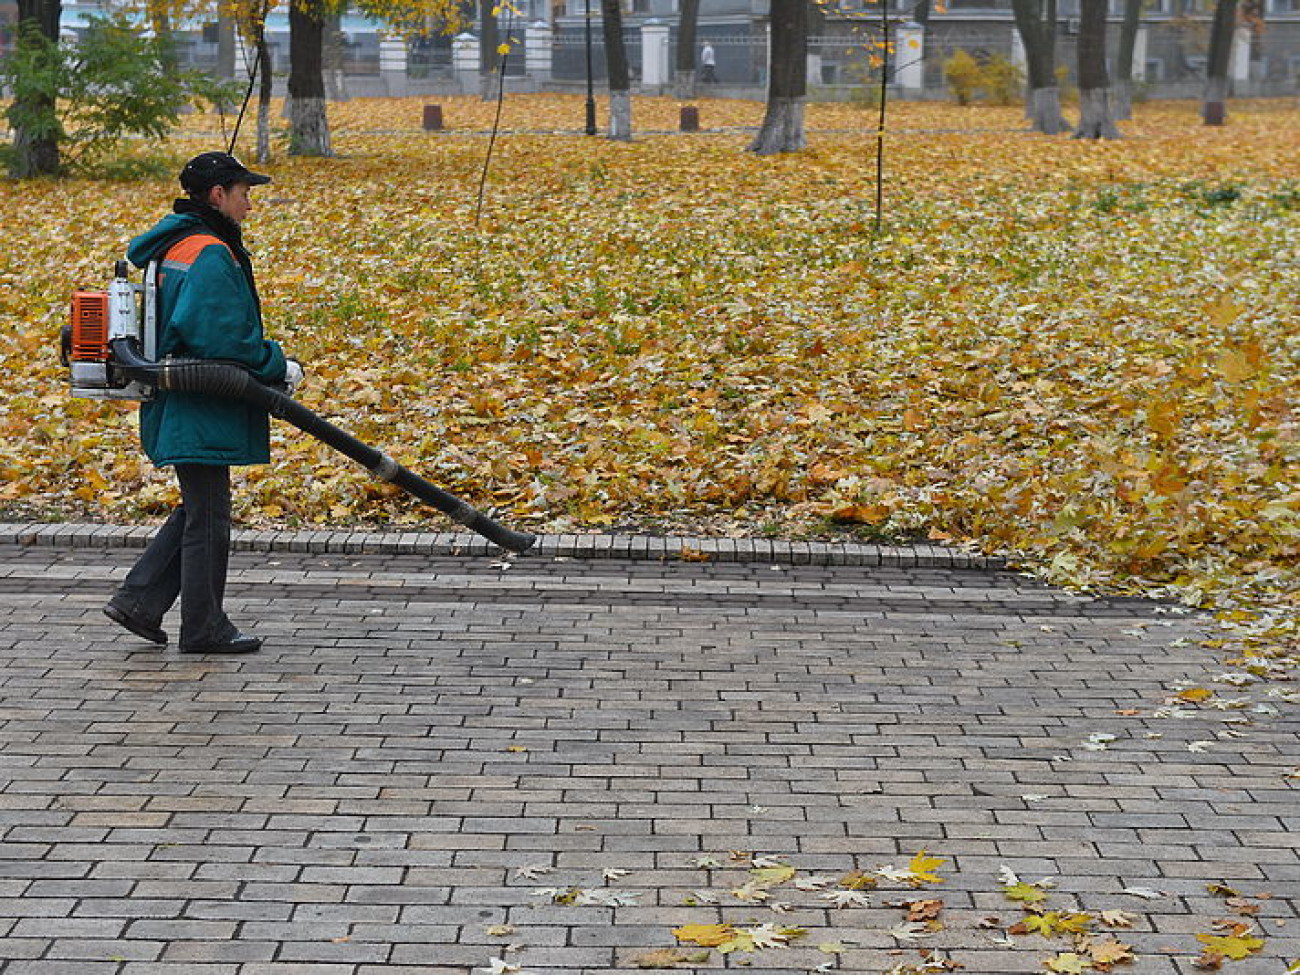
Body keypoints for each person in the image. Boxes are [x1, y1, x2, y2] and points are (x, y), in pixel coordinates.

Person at [103, 151, 290, 655]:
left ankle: (140, 600)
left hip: (181, 395)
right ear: (217, 195)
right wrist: (276, 363)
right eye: (243, 192)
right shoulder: (208, 250)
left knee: (200, 508)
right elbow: (222, 338)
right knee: (208, 516)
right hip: (199, 399)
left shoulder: (176, 244)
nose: (249, 203)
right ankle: (204, 628)